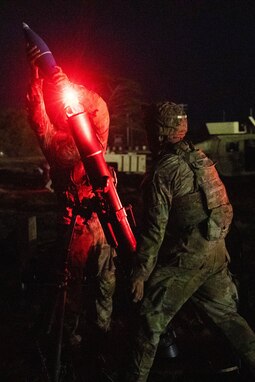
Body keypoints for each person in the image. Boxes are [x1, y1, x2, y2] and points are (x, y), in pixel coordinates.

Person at [126, 101, 255, 381]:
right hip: (216, 251)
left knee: (149, 319)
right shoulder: (198, 158)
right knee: (227, 318)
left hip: (190, 256)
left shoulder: (165, 170)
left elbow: (154, 228)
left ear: (159, 132)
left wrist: (141, 273)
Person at [26, 62, 116, 350]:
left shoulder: (94, 136)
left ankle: (100, 331)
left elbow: (99, 107)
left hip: (98, 219)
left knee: (103, 279)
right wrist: (37, 85)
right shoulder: (57, 141)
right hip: (73, 224)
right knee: (70, 284)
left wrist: (67, 86)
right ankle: (70, 337)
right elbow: (38, 118)